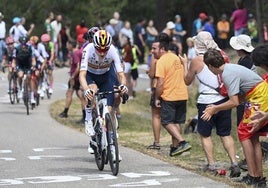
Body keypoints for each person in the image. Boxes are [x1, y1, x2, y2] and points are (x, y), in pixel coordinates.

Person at [202, 48, 268, 187]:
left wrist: (215, 108)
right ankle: (258, 177)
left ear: (210, 66)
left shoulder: (227, 74)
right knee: (253, 136)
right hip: (258, 94)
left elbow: (234, 102)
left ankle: (253, 176)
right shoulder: (230, 68)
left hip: (259, 96)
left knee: (243, 133)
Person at [180, 31, 240, 177]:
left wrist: (184, 64)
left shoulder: (197, 60)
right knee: (225, 133)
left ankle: (212, 165)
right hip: (224, 99)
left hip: (206, 101)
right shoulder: (222, 55)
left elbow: (187, 81)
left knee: (205, 134)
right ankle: (234, 163)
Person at [79, 30, 128, 159]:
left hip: (105, 76)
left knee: (110, 108)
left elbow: (121, 74)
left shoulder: (112, 50)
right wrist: (86, 89)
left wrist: (123, 86)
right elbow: (82, 75)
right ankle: (88, 118)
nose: (102, 52)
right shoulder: (88, 49)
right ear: (94, 45)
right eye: (99, 50)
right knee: (92, 90)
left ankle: (112, 147)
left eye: (104, 50)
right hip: (91, 75)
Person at [152, 32, 191, 157]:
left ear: (162, 49)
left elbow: (160, 83)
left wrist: (157, 97)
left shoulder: (162, 61)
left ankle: (182, 142)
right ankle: (175, 148)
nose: (152, 51)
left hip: (170, 95)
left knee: (166, 121)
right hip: (182, 94)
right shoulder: (176, 58)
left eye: (154, 49)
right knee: (176, 122)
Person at [229, 34, 256, 127]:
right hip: (246, 95)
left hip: (246, 96)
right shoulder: (244, 59)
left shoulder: (246, 61)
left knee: (244, 125)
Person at [59, 35, 86, 122]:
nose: (66, 46)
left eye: (67, 44)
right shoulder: (78, 52)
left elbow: (78, 67)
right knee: (70, 94)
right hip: (78, 77)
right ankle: (65, 112)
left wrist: (73, 77)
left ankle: (84, 116)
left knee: (79, 95)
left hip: (76, 78)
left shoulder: (75, 53)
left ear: (71, 45)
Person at [13, 36, 36, 104]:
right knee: (20, 75)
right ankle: (20, 89)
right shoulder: (16, 48)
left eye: (25, 44)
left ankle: (32, 97)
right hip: (20, 64)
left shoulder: (30, 48)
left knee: (29, 77)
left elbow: (33, 59)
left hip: (28, 64)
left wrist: (33, 65)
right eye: (22, 44)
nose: (24, 46)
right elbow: (14, 60)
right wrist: (14, 66)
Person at [146, 55, 161, 150]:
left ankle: (157, 142)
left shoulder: (155, 59)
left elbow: (151, 74)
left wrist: (150, 71)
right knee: (174, 119)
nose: (152, 51)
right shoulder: (172, 56)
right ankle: (176, 143)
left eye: (154, 48)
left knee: (156, 116)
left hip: (156, 86)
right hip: (170, 88)